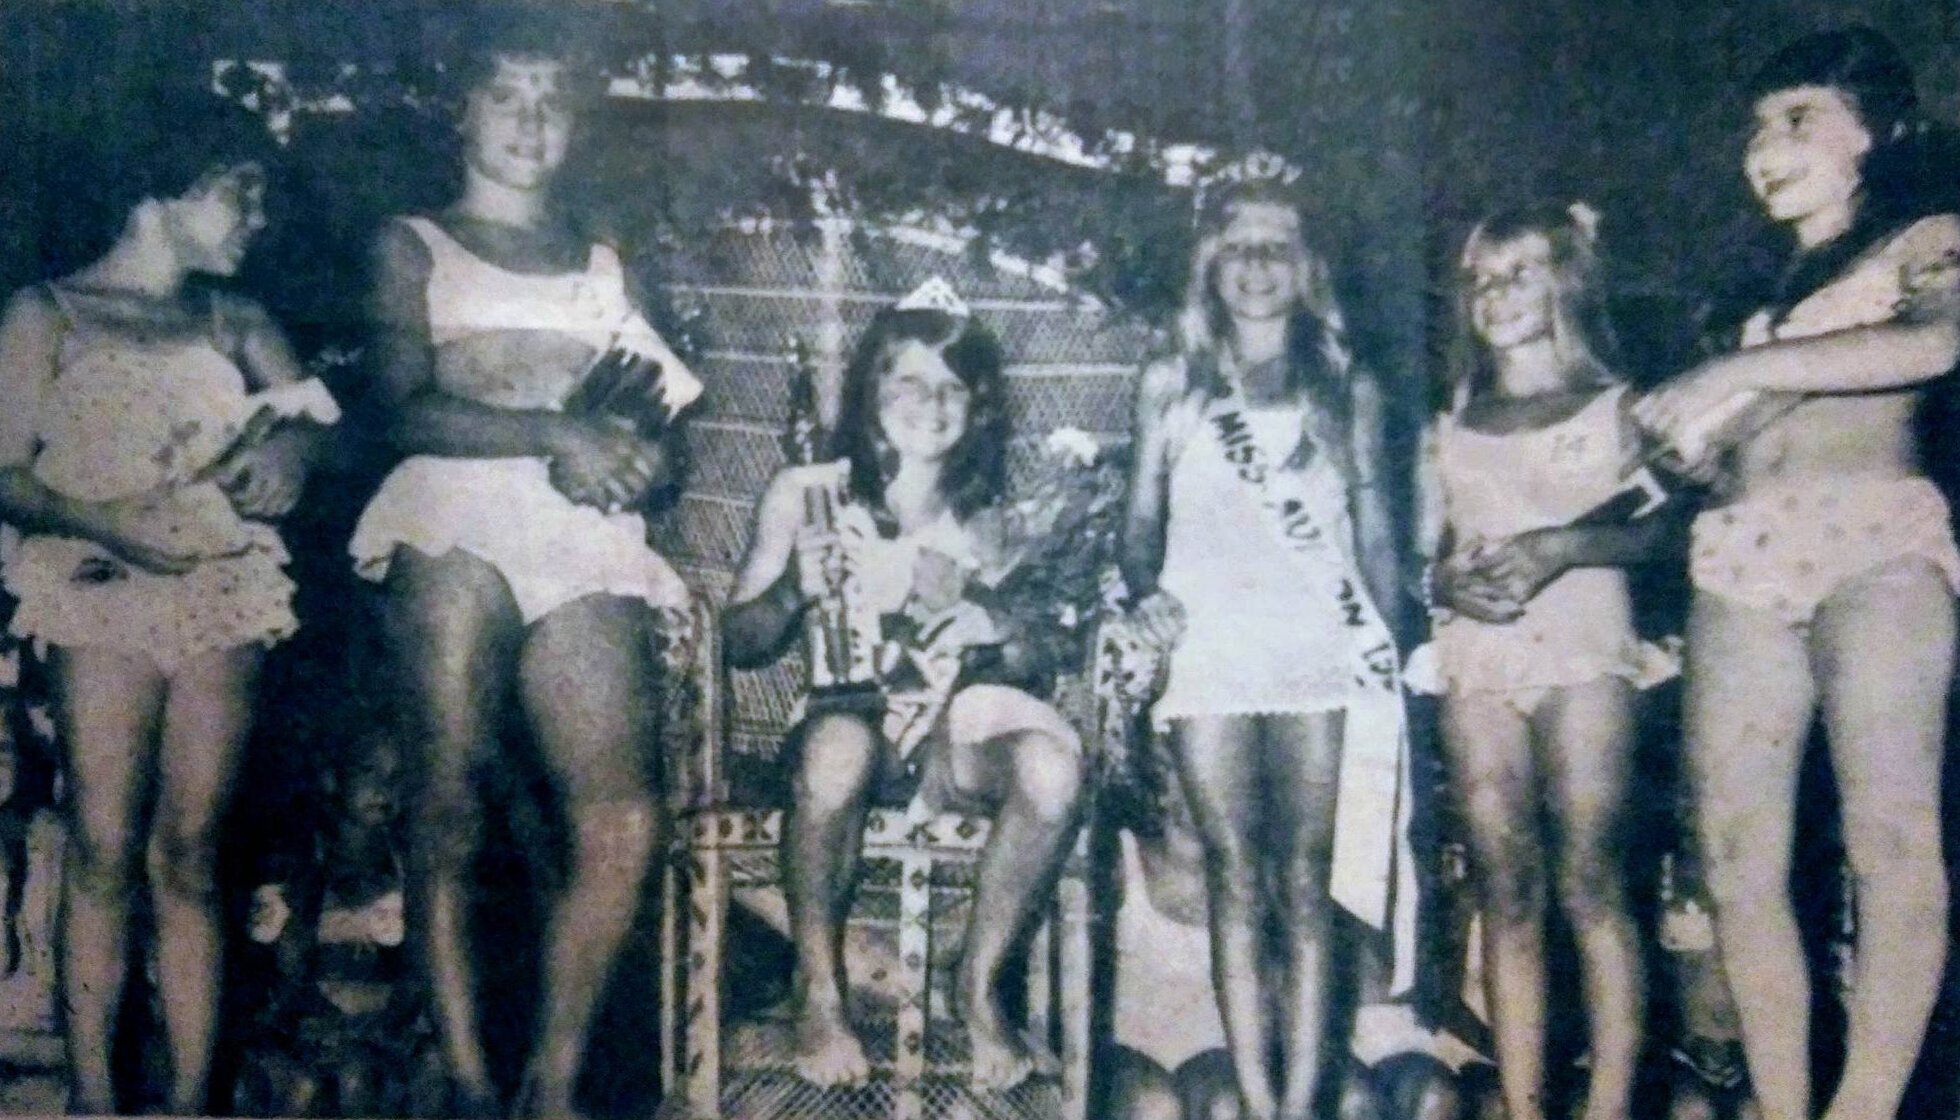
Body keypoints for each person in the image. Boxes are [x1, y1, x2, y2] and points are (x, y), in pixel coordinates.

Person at [346, 30, 701, 1119]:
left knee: (624, 816)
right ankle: (463, 1078)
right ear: (463, 113)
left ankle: (550, 1084)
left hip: (581, 532)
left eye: (553, 101)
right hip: (455, 516)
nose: (531, 121)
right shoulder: (413, 245)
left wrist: (641, 459)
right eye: (507, 97)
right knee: (446, 801)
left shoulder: (606, 258)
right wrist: (556, 431)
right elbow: (400, 407)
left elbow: (657, 420)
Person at [1634, 27, 1960, 1120]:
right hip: (1740, 551)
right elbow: (1730, 441)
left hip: (1875, 539)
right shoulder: (1752, 285)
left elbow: (1933, 343)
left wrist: (1729, 369)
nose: (1761, 146)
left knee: (1888, 837)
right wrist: (1688, 444)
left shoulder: (1925, 237)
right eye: (1756, 126)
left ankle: (1860, 1109)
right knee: (1731, 857)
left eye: (1795, 119)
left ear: (1873, 131)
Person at [0, 98, 336, 1113]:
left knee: (191, 851)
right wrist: (108, 522)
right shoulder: (47, 313)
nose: (258, 217)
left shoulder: (237, 321)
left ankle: (192, 1104)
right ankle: (97, 1101)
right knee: (103, 843)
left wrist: (289, 452)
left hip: (219, 593)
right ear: (166, 189)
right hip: (99, 589)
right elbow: (5, 471)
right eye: (242, 191)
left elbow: (318, 421)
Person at [722, 292, 1086, 1090]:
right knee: (839, 747)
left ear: (979, 408)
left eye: (953, 387)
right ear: (868, 392)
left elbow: (1046, 653)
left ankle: (978, 987)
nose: (931, 403)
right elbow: (738, 642)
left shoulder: (994, 517)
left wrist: (995, 625)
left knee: (1055, 769)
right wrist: (791, 590)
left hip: (951, 744)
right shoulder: (810, 491)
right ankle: (818, 989)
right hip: (843, 726)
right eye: (909, 382)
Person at [1118, 177, 1411, 1120]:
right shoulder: (1171, 382)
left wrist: (1392, 643)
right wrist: (1144, 594)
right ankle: (1257, 1098)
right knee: (1233, 871)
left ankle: (1303, 1097)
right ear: (1210, 263)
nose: (1258, 265)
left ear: (1309, 266)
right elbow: (1139, 524)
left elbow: (1374, 535)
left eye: (1278, 245)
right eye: (1238, 246)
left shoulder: (1346, 387)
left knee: (1308, 878)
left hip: (1317, 644)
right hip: (1210, 644)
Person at [1425, 201, 1677, 1120]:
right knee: (1505, 884)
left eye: (1519, 272)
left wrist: (1564, 547)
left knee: (1593, 879)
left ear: (1567, 278)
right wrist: (1442, 584)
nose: (1495, 295)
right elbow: (1420, 558)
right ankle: (1526, 1106)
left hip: (1583, 653)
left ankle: (1608, 1108)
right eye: (1480, 280)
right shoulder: (1452, 421)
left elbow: (1662, 536)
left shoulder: (1621, 407)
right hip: (1479, 659)